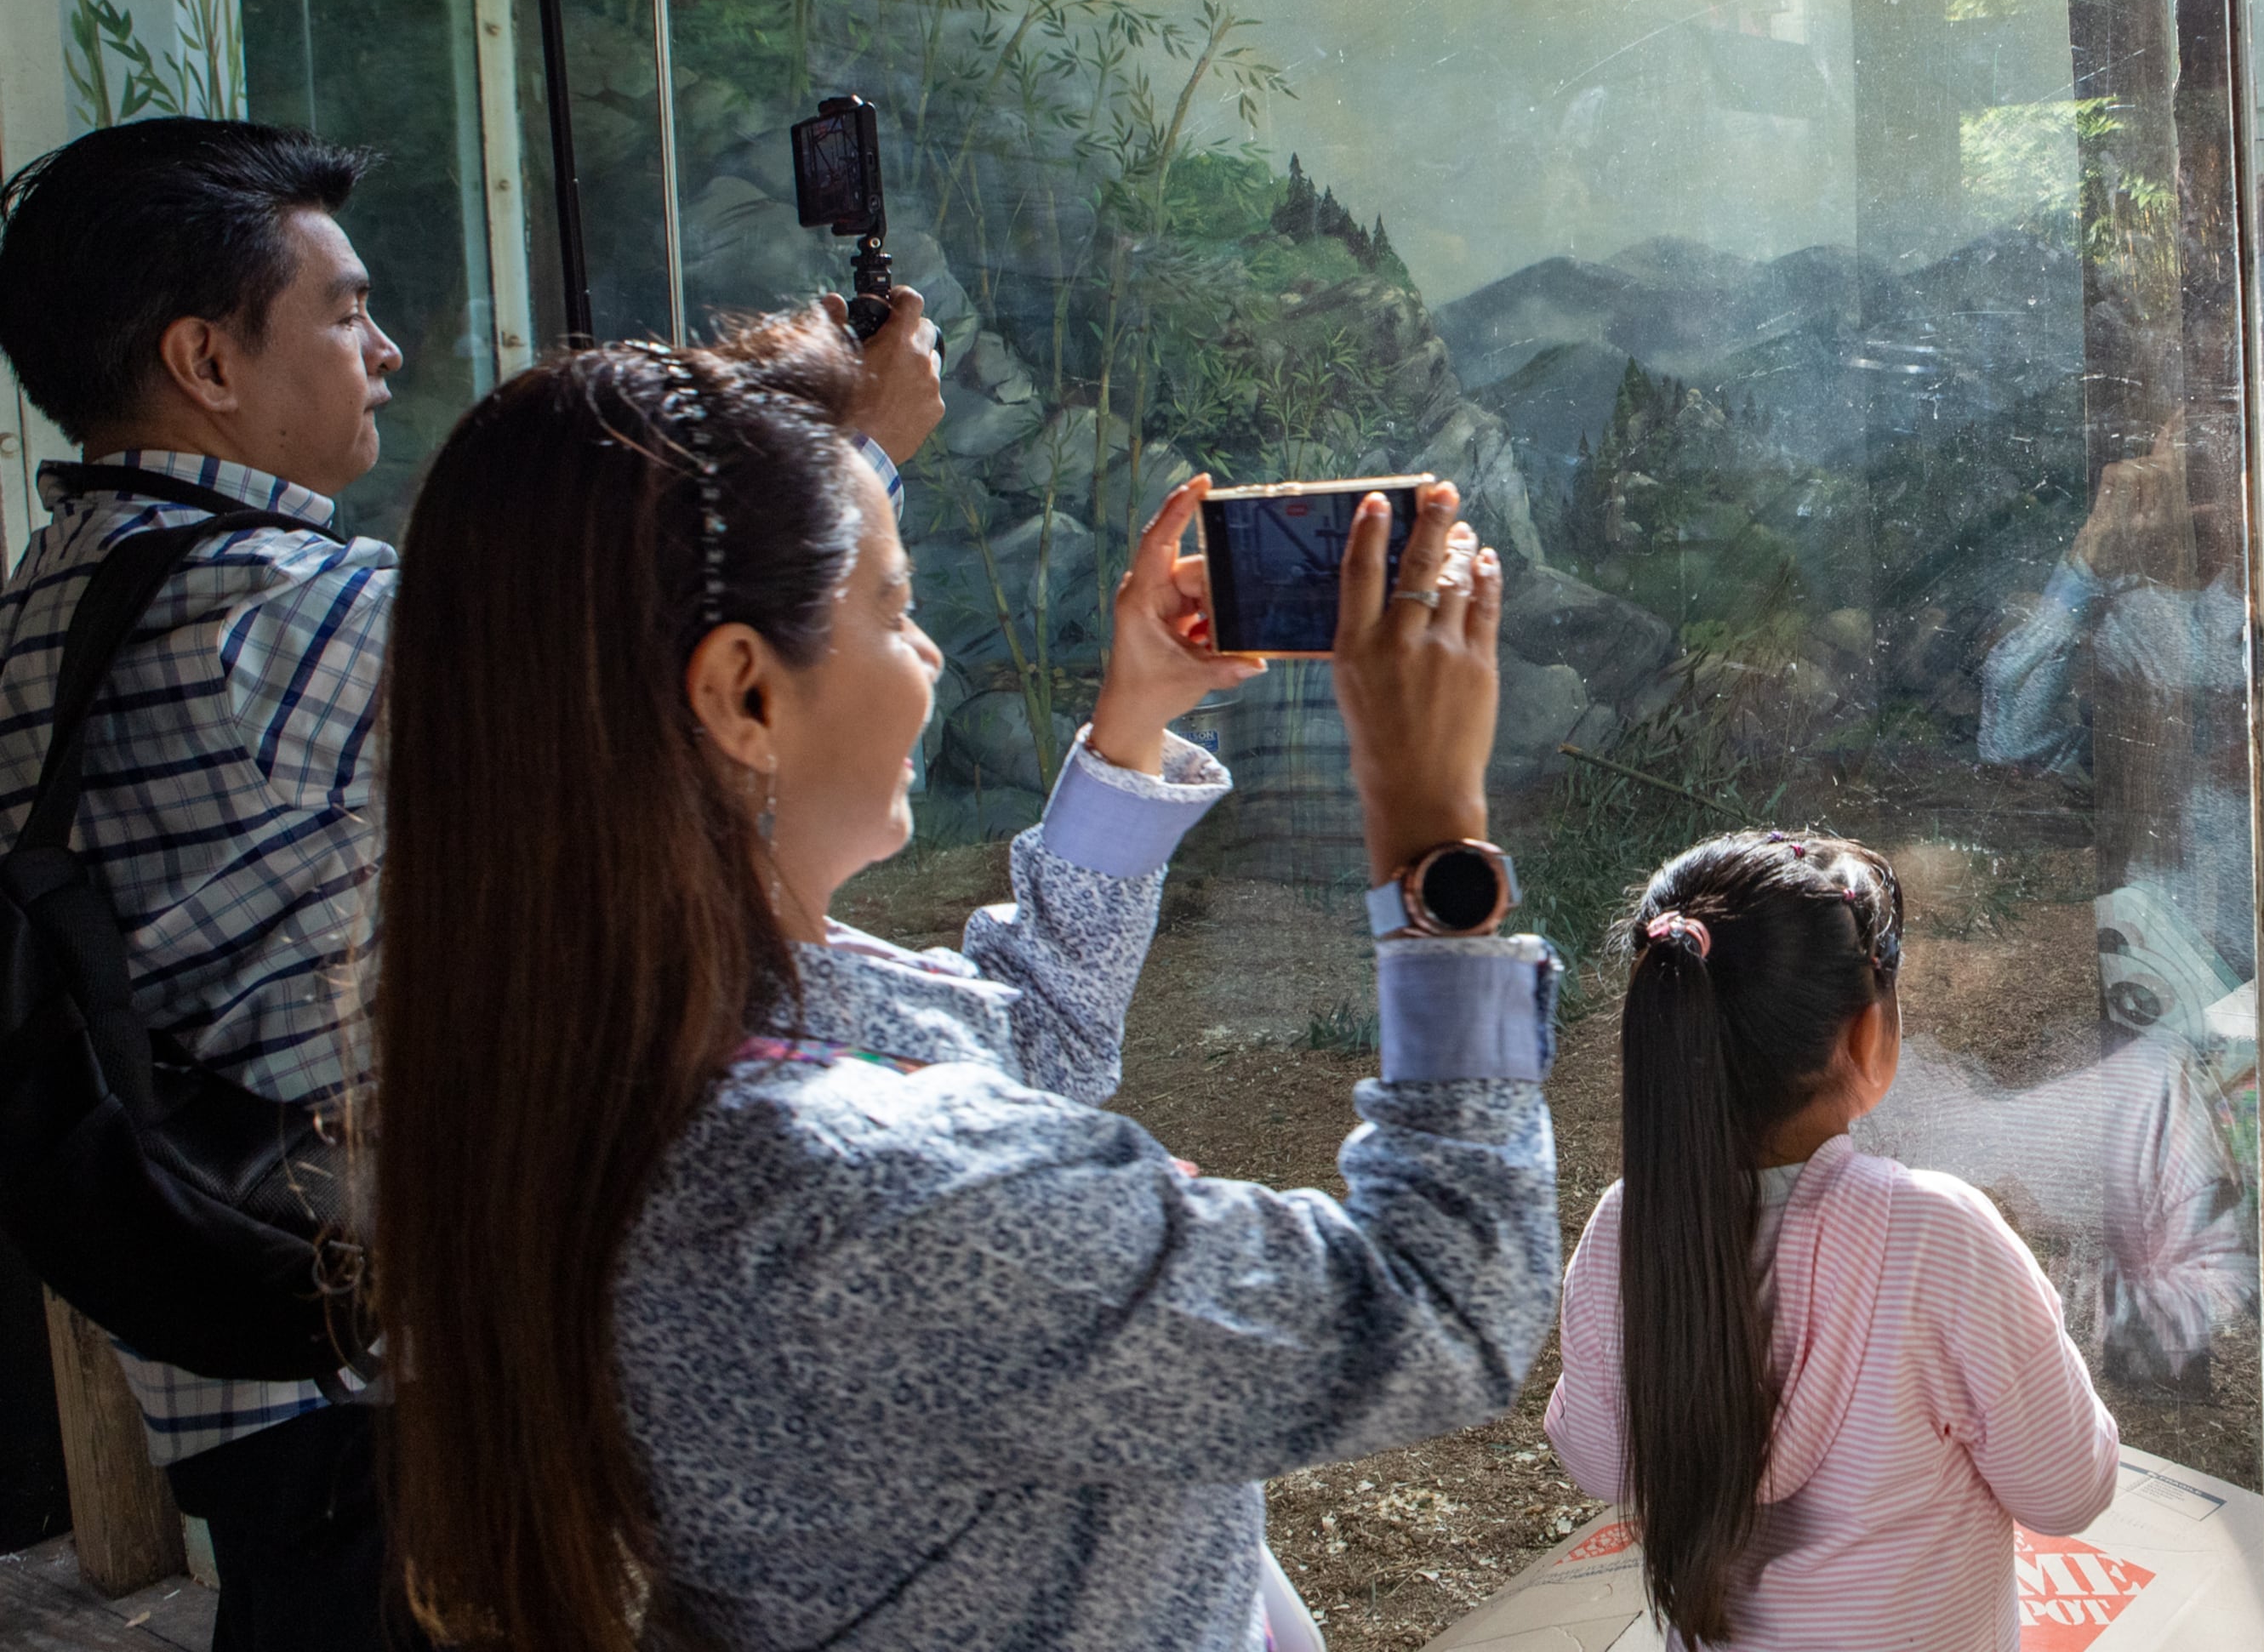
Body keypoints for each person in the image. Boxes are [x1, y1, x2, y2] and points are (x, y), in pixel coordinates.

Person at [368, 310, 1561, 1652]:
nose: (928, 654)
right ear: (742, 696)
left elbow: (1022, 1043)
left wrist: (1134, 721)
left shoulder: (600, 1045)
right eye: (896, 606)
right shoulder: (870, 1201)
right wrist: (1431, 850)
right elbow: (1441, 1311)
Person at [0, 116, 941, 1648]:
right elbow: (704, 719)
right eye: (344, 308)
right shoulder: (266, 620)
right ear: (206, 362)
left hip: (240, 1364)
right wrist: (858, 462)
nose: (381, 350)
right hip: (396, 1389)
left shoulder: (56, 601)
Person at [1545, 831, 2120, 1651]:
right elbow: (2069, 1492)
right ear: (1861, 1038)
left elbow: (1603, 1464)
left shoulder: (1623, 1231)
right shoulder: (1940, 1239)